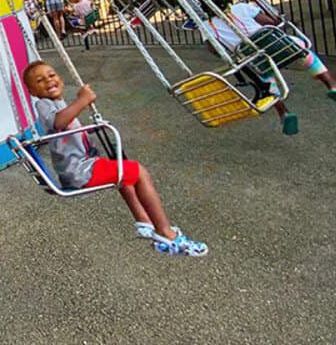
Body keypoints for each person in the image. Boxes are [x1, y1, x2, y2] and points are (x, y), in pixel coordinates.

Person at [22, 61, 209, 257]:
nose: (48, 81)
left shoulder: (57, 103)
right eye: (40, 80)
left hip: (84, 165)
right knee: (138, 172)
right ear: (33, 91)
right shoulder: (42, 104)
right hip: (79, 171)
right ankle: (166, 232)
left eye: (51, 75)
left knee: (124, 174)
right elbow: (59, 122)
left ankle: (144, 221)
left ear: (59, 78)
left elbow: (67, 125)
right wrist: (83, 100)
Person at [202, 0, 336, 135]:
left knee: (267, 82)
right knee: (306, 55)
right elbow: (272, 23)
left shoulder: (207, 27)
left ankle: (284, 113)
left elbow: (215, 50)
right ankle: (333, 86)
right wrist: (267, 9)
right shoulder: (242, 8)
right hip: (279, 46)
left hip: (256, 59)